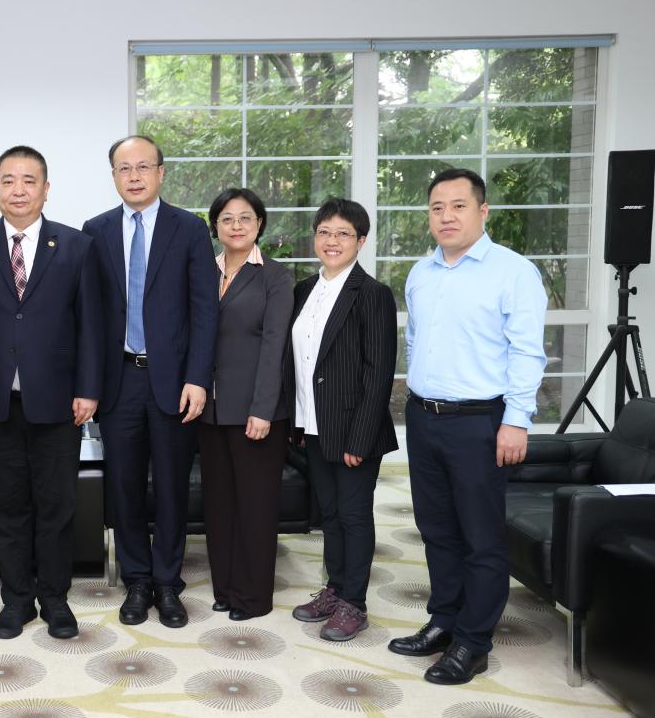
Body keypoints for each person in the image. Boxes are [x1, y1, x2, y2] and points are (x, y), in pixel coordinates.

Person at [389, 167, 547, 685]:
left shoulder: (513, 272)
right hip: (424, 417)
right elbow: (416, 341)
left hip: (481, 422)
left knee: (481, 537)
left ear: (483, 211)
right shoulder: (422, 273)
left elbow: (527, 352)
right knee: (436, 529)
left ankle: (473, 642)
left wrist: (516, 421)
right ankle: (444, 621)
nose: (447, 216)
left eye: (458, 206)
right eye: (437, 207)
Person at [0, 145, 103, 640]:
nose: (18, 190)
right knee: (5, 508)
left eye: (28, 180)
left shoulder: (76, 245)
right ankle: (16, 600)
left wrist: (88, 389)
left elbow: (91, 326)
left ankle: (55, 599)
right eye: (8, 180)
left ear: (46, 188)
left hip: (59, 402)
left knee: (57, 507)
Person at [82, 135, 217, 629]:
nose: (134, 176)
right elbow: (89, 316)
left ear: (161, 172)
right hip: (118, 379)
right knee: (125, 487)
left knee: (172, 486)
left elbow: (205, 310)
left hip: (174, 381)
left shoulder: (189, 228)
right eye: (124, 168)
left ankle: (167, 582)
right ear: (113, 176)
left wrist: (198, 378)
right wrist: (89, 384)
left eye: (143, 167)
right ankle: (137, 580)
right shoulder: (95, 231)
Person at [287, 198, 397, 641]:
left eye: (343, 234)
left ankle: (355, 602)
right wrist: (296, 421)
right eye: (324, 232)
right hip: (313, 424)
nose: (332, 241)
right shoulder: (303, 290)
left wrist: (361, 437)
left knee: (353, 515)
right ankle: (334, 589)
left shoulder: (372, 294)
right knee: (329, 515)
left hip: (354, 429)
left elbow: (379, 372)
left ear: (361, 241)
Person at [197, 188, 293, 621]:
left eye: (245, 218)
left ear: (259, 224)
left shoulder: (275, 276)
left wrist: (263, 408)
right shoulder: (203, 272)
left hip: (256, 411)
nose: (236, 226)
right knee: (219, 504)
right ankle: (226, 587)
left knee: (255, 506)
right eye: (227, 218)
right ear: (215, 226)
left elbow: (275, 346)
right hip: (210, 410)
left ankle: (252, 597)